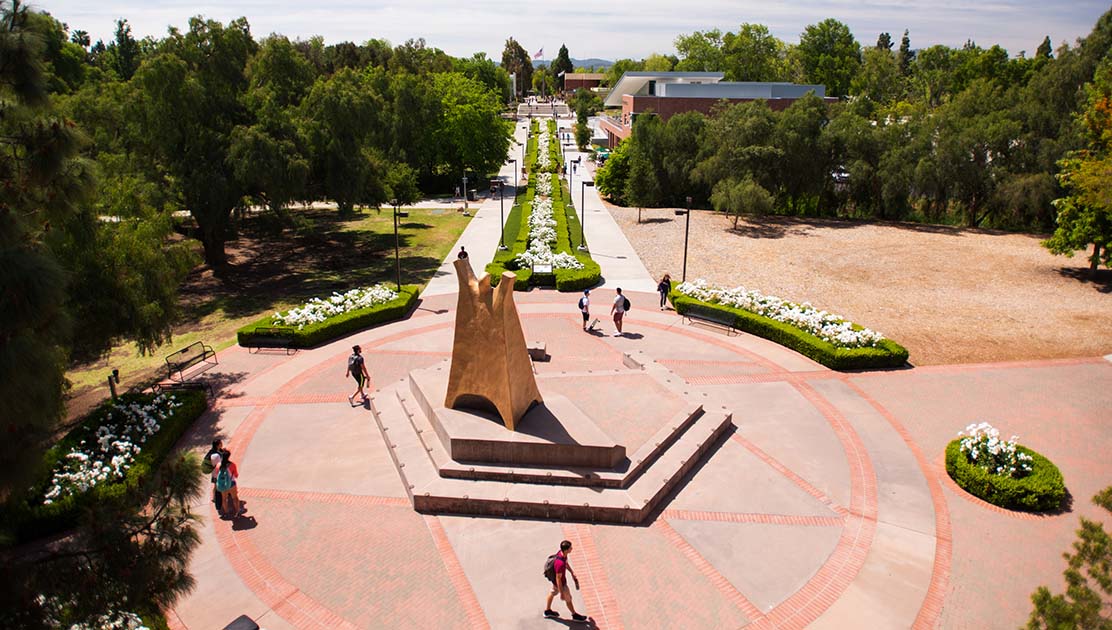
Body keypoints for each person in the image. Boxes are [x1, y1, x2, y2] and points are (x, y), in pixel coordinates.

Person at [544, 540, 586, 622]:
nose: (572, 548)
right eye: (570, 548)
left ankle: (547, 611)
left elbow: (566, 563)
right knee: (568, 599)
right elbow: (558, 578)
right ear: (566, 550)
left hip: (555, 584)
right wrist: (562, 593)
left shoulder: (561, 554)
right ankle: (574, 615)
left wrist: (571, 572)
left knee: (552, 592)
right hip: (561, 585)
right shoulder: (560, 564)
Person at [215, 448, 243, 518]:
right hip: (231, 484)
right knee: (235, 498)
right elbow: (236, 475)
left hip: (222, 484)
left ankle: (226, 513)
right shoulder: (232, 465)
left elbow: (216, 474)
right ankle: (237, 511)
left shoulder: (218, 465)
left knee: (224, 499)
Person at [203, 439, 224, 513]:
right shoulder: (215, 455)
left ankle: (214, 498)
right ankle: (217, 499)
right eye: (221, 443)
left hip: (214, 473)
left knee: (215, 486)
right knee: (217, 486)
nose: (222, 444)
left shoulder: (213, 452)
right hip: (217, 473)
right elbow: (219, 464)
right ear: (218, 445)